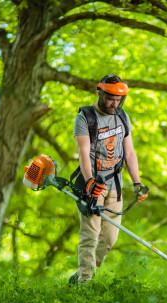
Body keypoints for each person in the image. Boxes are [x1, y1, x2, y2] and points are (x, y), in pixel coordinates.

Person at [69, 75, 148, 285]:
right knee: (90, 235)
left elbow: (129, 153)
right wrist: (89, 182)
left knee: (109, 240)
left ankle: (82, 274)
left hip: (115, 184)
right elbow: (83, 153)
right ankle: (85, 284)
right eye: (111, 99)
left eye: (119, 100)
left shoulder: (122, 116)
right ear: (100, 93)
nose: (115, 104)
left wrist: (137, 182)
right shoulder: (85, 117)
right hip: (93, 185)